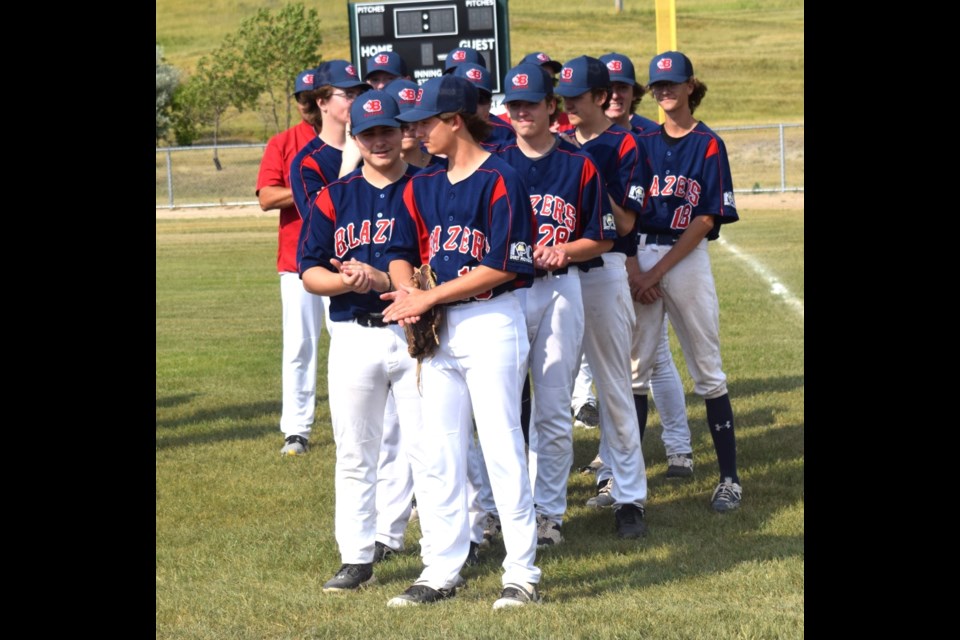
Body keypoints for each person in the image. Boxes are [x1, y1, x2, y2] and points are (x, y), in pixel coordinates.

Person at [381, 74, 542, 609]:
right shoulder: (422, 184)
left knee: (501, 446)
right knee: (437, 451)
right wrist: (409, 295)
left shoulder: (502, 178)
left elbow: (501, 265)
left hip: (492, 320)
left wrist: (427, 299)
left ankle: (520, 573)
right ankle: (440, 569)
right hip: (439, 330)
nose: (416, 133)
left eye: (426, 122)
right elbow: (401, 249)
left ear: (454, 121)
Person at [296, 90, 424, 591]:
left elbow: (437, 269)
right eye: (368, 133)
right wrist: (348, 281)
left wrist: (382, 279)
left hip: (413, 332)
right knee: (355, 450)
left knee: (426, 447)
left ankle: (441, 552)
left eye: (387, 130)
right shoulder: (334, 196)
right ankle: (356, 556)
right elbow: (309, 273)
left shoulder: (429, 187)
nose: (380, 140)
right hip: (354, 332)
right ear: (356, 138)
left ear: (403, 131)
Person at [496, 63, 617, 543]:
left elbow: (602, 237)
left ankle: (548, 513)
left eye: (532, 102)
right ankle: (496, 511)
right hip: (504, 291)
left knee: (550, 405)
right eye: (515, 104)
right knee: (499, 408)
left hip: (560, 287)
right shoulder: (494, 162)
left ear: (551, 106)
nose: (522, 111)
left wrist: (566, 249)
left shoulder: (578, 164)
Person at [631, 51, 742, 511]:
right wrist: (636, 269)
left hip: (686, 255)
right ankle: (628, 482)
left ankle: (730, 478)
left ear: (691, 86)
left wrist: (655, 272)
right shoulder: (642, 143)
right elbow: (628, 210)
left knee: (707, 369)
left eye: (673, 83)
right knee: (635, 371)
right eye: (658, 85)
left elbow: (704, 220)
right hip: (641, 251)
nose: (664, 91)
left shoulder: (708, 144)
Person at [553, 55, 651, 536]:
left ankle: (629, 497)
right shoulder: (557, 145)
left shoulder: (624, 144)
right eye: (564, 96)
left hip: (604, 270)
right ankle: (546, 506)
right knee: (552, 392)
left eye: (578, 96)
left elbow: (628, 222)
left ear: (600, 97)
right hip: (555, 277)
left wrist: (587, 169)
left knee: (614, 388)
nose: (569, 104)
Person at [598, 51, 695, 485]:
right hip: (608, 261)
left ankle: (677, 449)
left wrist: (642, 270)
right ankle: (619, 454)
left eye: (624, 87)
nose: (617, 95)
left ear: (635, 93)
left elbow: (649, 211)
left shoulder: (650, 137)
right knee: (619, 364)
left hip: (643, 258)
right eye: (610, 87)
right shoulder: (583, 139)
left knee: (653, 360)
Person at [255, 67, 326, 456]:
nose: (306, 104)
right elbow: (266, 197)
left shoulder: (351, 138)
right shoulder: (283, 142)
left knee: (354, 345)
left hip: (344, 257)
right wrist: (309, 190)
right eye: (301, 97)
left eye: (313, 97)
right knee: (299, 346)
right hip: (296, 259)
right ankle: (296, 430)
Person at [290, 60, 371, 218]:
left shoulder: (377, 150)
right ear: (322, 102)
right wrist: (348, 164)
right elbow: (320, 226)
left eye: (359, 94)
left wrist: (329, 196)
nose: (357, 102)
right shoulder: (306, 163)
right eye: (348, 95)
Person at [450, 62, 516, 147]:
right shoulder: (438, 133)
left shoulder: (504, 134)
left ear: (489, 105)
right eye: (467, 97)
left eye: (480, 99)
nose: (473, 105)